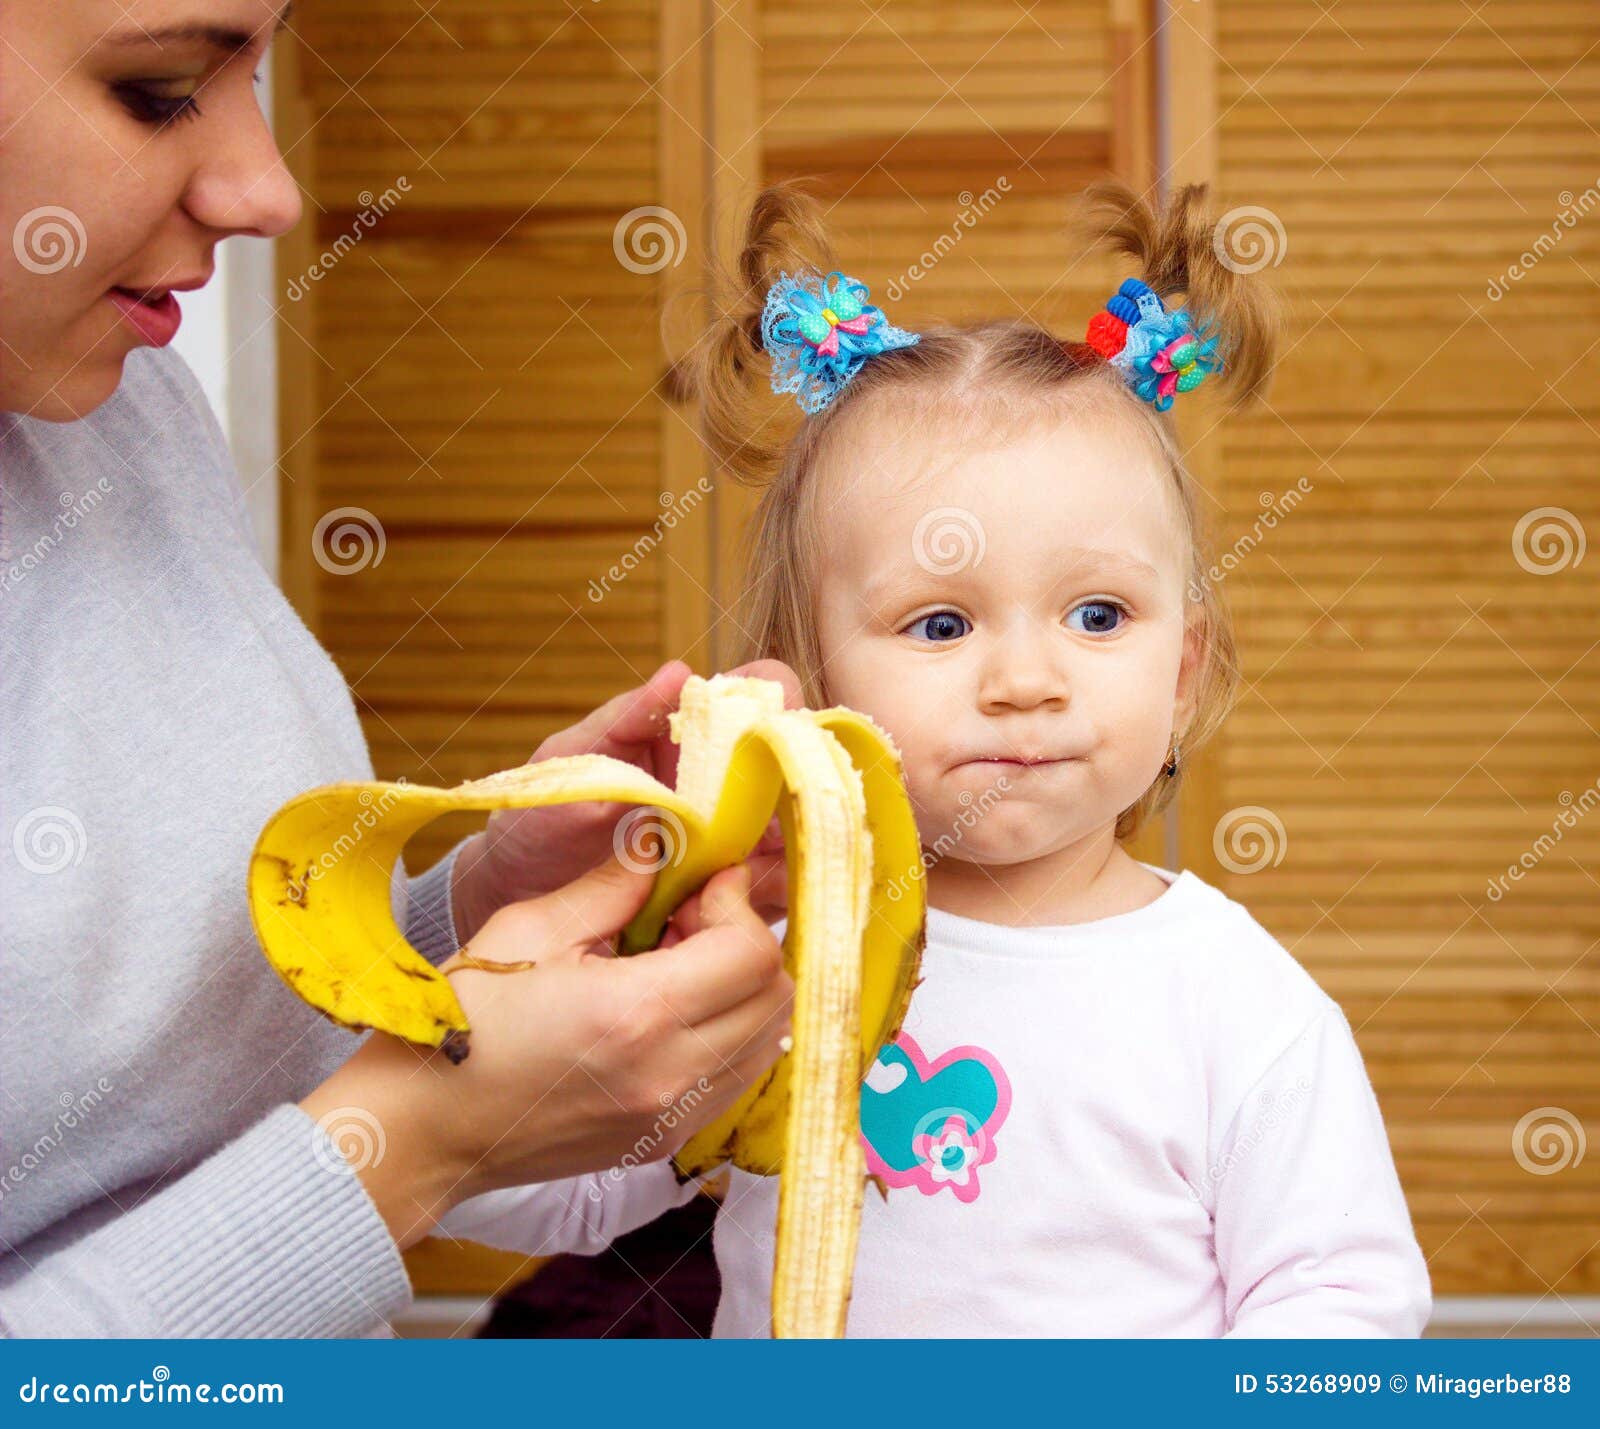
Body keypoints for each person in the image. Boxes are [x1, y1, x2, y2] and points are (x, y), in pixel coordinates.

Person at [430, 179, 1436, 1338]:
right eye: (942, 625)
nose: (1025, 678)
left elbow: (1342, 1303)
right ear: (809, 682)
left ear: (1185, 665)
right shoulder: (765, 961)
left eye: (1098, 615)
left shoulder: (1237, 1004)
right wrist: (489, 1016)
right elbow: (549, 1184)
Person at [0, 0, 792, 1337]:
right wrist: (415, 1145)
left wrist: (460, 919)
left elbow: (170, 1083)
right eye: (157, 89)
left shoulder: (118, 405)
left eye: (261, 70)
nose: (269, 189)